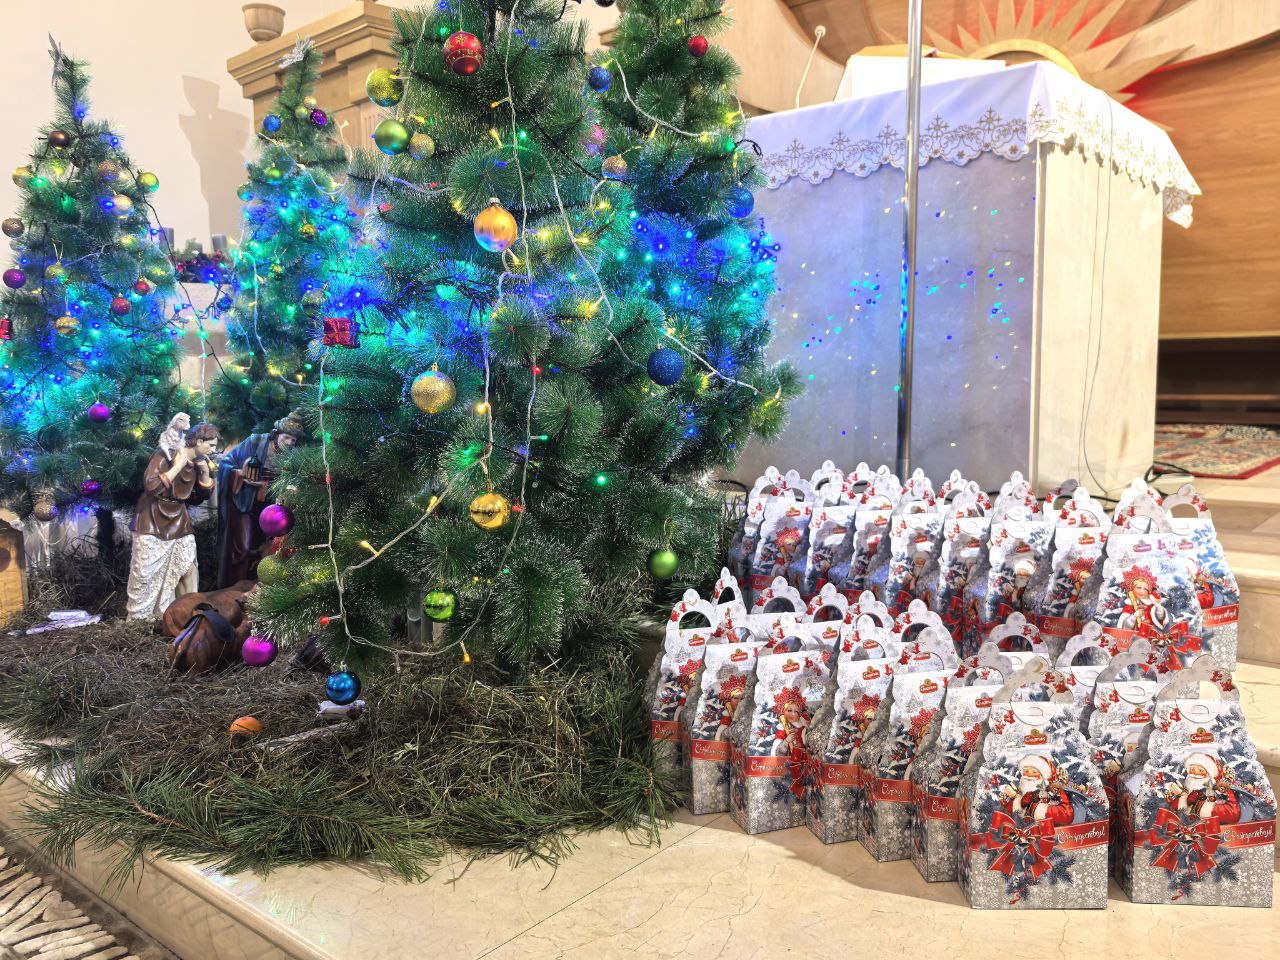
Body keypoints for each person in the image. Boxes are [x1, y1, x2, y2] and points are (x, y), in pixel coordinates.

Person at [125, 423, 219, 620]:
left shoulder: (198, 463)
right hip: (152, 517)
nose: (213, 450)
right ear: (198, 441)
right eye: (211, 445)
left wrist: (204, 474)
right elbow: (151, 486)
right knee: (146, 573)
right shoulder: (165, 455)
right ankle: (141, 619)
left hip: (179, 518)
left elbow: (195, 499)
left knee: (187, 566)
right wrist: (178, 465)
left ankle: (183, 614)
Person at [215, 409, 305, 587]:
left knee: (266, 549)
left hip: (271, 509)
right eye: (286, 437)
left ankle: (257, 587)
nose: (289, 443)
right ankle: (234, 587)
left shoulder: (292, 456)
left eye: (293, 440)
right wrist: (240, 473)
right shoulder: (255, 442)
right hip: (244, 505)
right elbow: (226, 464)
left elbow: (294, 480)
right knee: (243, 546)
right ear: (276, 434)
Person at [999, 754, 1075, 826]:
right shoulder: (1019, 793)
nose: (1029, 775)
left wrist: (1033, 808)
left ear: (1043, 776)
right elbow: (1006, 816)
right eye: (1026, 771)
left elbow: (1066, 815)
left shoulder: (1052, 792)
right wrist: (1016, 799)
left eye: (1034, 772)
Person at [1165, 752, 1240, 824]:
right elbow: (1172, 810)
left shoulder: (1218, 788)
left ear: (1209, 773)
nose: (1195, 773)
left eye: (1200, 770)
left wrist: (1199, 805)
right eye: (1192, 769)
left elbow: (1232, 813)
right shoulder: (1186, 787)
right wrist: (1184, 798)